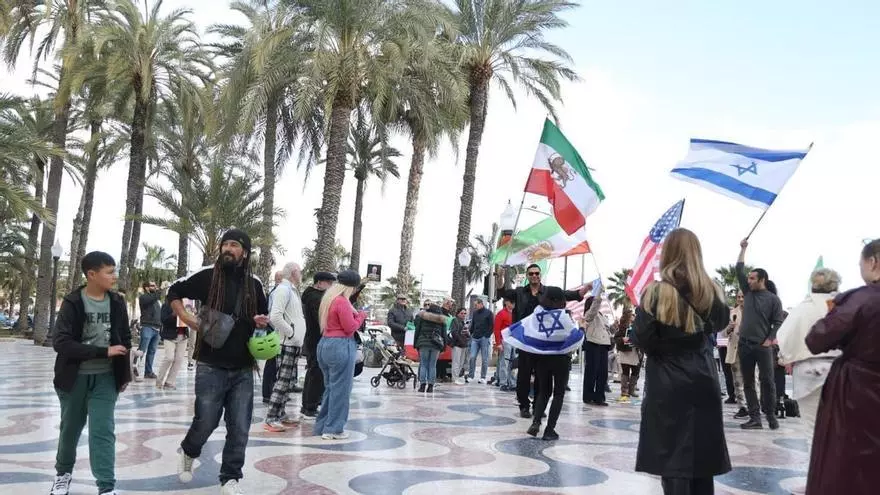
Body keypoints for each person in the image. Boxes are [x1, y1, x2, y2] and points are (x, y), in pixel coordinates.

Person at [169, 229, 269, 495]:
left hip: (243, 366)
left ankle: (230, 478)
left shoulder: (255, 284)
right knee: (207, 420)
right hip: (210, 363)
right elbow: (173, 291)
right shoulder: (206, 275)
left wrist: (261, 324)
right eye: (225, 244)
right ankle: (190, 450)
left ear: (245, 252)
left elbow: (263, 316)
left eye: (234, 245)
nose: (227, 248)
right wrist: (188, 319)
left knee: (240, 426)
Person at [633, 228, 731, 495]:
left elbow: (641, 337)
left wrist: (665, 344)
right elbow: (720, 323)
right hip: (703, 378)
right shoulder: (712, 290)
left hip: (667, 381)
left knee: (672, 460)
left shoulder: (656, 292)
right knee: (702, 462)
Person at [49, 251, 132, 495]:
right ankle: (63, 474)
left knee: (103, 430)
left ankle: (106, 486)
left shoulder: (117, 302)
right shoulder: (73, 302)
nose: (114, 276)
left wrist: (123, 374)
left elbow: (125, 339)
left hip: (106, 379)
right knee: (70, 430)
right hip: (74, 379)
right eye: (110, 272)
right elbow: (61, 343)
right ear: (92, 274)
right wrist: (102, 351)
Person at [803, 239, 880, 495]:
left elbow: (816, 339)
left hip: (858, 391)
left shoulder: (863, 299)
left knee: (845, 460)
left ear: (873, 262)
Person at [505, 287, 584, 441]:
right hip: (561, 359)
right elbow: (574, 337)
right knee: (559, 393)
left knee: (543, 391)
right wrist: (581, 328)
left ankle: (535, 422)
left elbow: (524, 326)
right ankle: (549, 430)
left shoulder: (537, 314)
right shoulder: (563, 317)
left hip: (542, 358)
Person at [513, 264, 587, 418]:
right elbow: (502, 292)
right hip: (527, 341)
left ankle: (537, 407)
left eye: (537, 273)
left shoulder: (547, 291)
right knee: (524, 376)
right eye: (531, 273)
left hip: (542, 342)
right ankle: (524, 406)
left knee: (541, 376)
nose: (534, 276)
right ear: (527, 275)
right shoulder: (520, 292)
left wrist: (581, 293)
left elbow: (564, 294)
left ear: (540, 275)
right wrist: (499, 278)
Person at [776, 268, 840, 435]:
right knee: (839, 429)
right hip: (841, 370)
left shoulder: (803, 308)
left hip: (809, 371)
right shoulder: (845, 306)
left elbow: (785, 336)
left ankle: (817, 460)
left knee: (813, 429)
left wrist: (787, 357)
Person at [735, 239, 786, 430]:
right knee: (748, 382)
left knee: (767, 381)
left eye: (752, 278)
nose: (748, 281)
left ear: (761, 280)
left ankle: (771, 416)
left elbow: (778, 322)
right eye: (748, 279)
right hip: (744, 345)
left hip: (763, 347)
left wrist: (769, 340)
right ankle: (755, 418)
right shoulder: (747, 294)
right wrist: (743, 249)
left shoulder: (773, 299)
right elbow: (739, 269)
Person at [313, 270, 366, 439]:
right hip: (341, 345)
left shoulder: (328, 300)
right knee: (341, 390)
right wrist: (362, 316)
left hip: (325, 344)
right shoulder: (342, 302)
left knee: (330, 388)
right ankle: (334, 429)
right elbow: (350, 327)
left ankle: (322, 426)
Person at [264, 262, 307, 432]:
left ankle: (280, 414)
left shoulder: (292, 290)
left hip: (293, 342)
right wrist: (290, 333)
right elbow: (275, 316)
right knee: (282, 381)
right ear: (294, 273)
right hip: (287, 343)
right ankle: (271, 417)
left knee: (288, 381)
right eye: (300, 272)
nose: (301, 274)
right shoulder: (284, 289)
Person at [300, 272, 336, 418]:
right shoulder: (314, 298)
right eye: (329, 283)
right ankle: (310, 406)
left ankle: (309, 404)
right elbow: (321, 318)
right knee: (316, 373)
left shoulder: (312, 296)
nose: (331, 286)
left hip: (313, 339)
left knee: (313, 372)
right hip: (315, 340)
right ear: (320, 283)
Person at [581, 291, 611, 406]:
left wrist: (613, 327)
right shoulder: (590, 314)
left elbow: (607, 329)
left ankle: (599, 397)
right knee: (591, 372)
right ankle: (588, 397)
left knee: (602, 373)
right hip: (593, 343)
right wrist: (598, 295)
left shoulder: (602, 315)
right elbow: (594, 309)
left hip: (604, 344)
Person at [413, 303, 448, 393]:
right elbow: (444, 335)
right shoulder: (442, 320)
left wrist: (415, 343)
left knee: (423, 364)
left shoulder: (422, 318)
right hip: (436, 345)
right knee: (432, 365)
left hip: (423, 343)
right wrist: (444, 347)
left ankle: (422, 385)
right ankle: (430, 387)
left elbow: (417, 330)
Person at [156, 297, 188, 390]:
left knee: (178, 360)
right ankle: (159, 380)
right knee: (169, 358)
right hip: (169, 336)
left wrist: (192, 313)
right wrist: (173, 315)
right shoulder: (166, 306)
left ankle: (169, 382)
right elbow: (163, 320)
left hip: (183, 336)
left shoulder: (186, 304)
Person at [262, 271, 284, 404]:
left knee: (273, 363)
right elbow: (273, 313)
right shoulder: (277, 293)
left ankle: (269, 392)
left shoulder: (275, 291)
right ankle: (268, 393)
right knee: (272, 363)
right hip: (274, 330)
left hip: (273, 329)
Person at [133, 281, 162, 381]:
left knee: (152, 351)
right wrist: (160, 290)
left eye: (155, 285)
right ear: (146, 288)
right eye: (152, 285)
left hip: (157, 328)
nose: (155, 287)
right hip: (147, 327)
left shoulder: (156, 299)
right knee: (142, 350)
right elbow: (153, 298)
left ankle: (148, 372)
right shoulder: (144, 297)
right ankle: (134, 368)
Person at [725, 292, 748, 419]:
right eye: (738, 297)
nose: (740, 299)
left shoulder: (754, 312)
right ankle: (742, 407)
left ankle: (753, 406)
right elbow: (724, 333)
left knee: (752, 379)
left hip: (750, 350)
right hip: (735, 349)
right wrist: (729, 328)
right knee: (738, 381)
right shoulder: (732, 312)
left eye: (742, 297)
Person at [613, 309, 638, 402]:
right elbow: (616, 338)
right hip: (625, 351)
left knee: (635, 371)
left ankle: (632, 390)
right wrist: (623, 339)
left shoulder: (638, 325)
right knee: (625, 371)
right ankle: (624, 392)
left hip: (635, 351)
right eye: (632, 315)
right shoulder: (622, 327)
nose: (634, 317)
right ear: (628, 316)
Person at [468, 298, 493, 383]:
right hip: (475, 337)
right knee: (472, 357)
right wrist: (470, 333)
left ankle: (483, 377)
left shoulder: (489, 313)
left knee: (484, 358)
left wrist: (487, 336)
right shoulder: (475, 313)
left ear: (481, 304)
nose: (475, 307)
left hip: (484, 338)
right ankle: (471, 376)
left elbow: (491, 326)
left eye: (476, 305)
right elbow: (473, 324)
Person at [494, 292, 516, 391]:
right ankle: (503, 382)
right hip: (505, 341)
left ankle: (512, 382)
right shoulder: (501, 314)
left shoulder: (515, 314)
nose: (513, 304)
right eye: (512, 302)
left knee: (512, 363)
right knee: (504, 362)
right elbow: (496, 329)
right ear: (507, 303)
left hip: (514, 341)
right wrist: (498, 343)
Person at [449, 308, 470, 384]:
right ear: (458, 313)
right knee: (456, 362)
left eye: (465, 313)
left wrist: (467, 333)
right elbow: (454, 332)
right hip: (457, 344)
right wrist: (460, 340)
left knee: (461, 362)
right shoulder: (455, 320)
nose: (463, 315)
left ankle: (456, 377)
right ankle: (454, 378)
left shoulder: (463, 322)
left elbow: (465, 333)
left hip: (463, 344)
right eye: (462, 313)